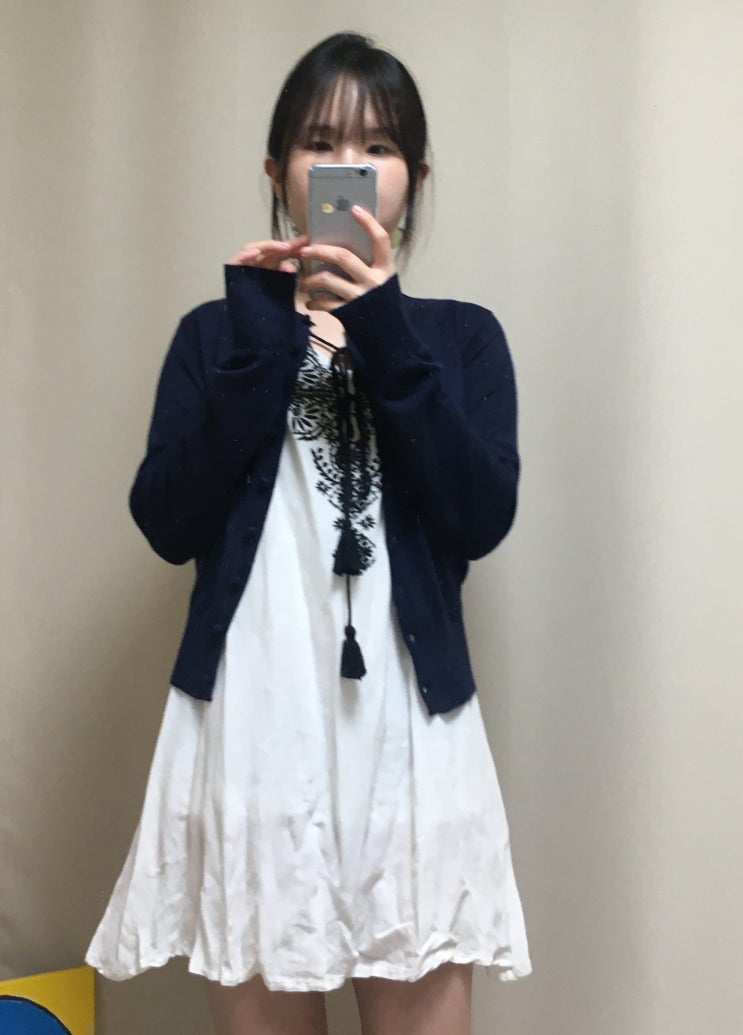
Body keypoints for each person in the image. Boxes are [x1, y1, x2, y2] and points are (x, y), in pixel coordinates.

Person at [84, 31, 532, 1035]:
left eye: (377, 147)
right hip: (253, 730)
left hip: (409, 740)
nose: (347, 168)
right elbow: (167, 521)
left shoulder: (461, 338)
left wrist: (383, 331)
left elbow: (478, 515)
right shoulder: (216, 336)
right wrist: (261, 346)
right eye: (320, 144)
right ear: (276, 171)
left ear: (415, 178)